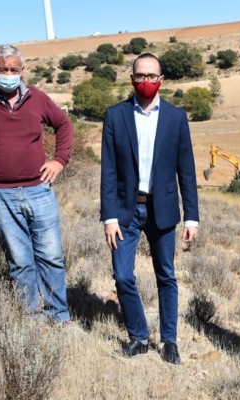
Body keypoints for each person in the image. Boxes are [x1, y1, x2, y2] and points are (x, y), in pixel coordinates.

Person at [0, 44, 74, 325]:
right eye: (3, 69)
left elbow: (64, 125)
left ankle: (59, 316)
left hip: (39, 189)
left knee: (51, 256)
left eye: (14, 69)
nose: (9, 74)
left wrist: (59, 160)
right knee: (20, 261)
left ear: (22, 70)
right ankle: (31, 319)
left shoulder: (37, 98)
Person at [100, 53, 199, 365]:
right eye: (140, 76)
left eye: (151, 76)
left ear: (161, 80)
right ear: (132, 78)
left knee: (166, 276)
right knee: (122, 275)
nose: (146, 81)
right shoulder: (115, 115)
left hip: (163, 210)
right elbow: (109, 170)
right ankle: (139, 336)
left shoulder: (176, 117)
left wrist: (192, 216)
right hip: (125, 212)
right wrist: (109, 216)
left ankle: (169, 341)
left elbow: (187, 170)